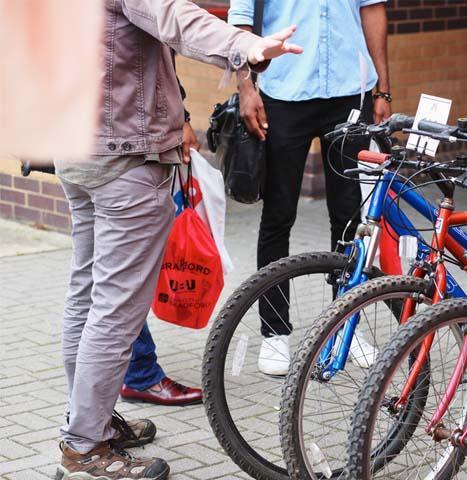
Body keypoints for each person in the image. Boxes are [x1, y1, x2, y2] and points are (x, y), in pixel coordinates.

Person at [54, 1, 301, 479]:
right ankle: (85, 447)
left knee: (86, 297)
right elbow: (174, 17)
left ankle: (89, 422)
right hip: (124, 157)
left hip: (75, 149)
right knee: (113, 308)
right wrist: (246, 45)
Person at [228, 0, 391, 376]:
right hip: (283, 93)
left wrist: (383, 88)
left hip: (351, 92)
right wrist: (246, 87)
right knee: (278, 215)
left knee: (350, 217)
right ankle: (274, 332)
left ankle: (346, 326)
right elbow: (238, 22)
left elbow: (372, 10)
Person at [120, 80, 203, 408]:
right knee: (124, 275)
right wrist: (180, 118)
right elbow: (155, 59)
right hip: (124, 150)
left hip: (86, 147)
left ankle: (92, 408)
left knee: (95, 277)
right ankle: (139, 375)